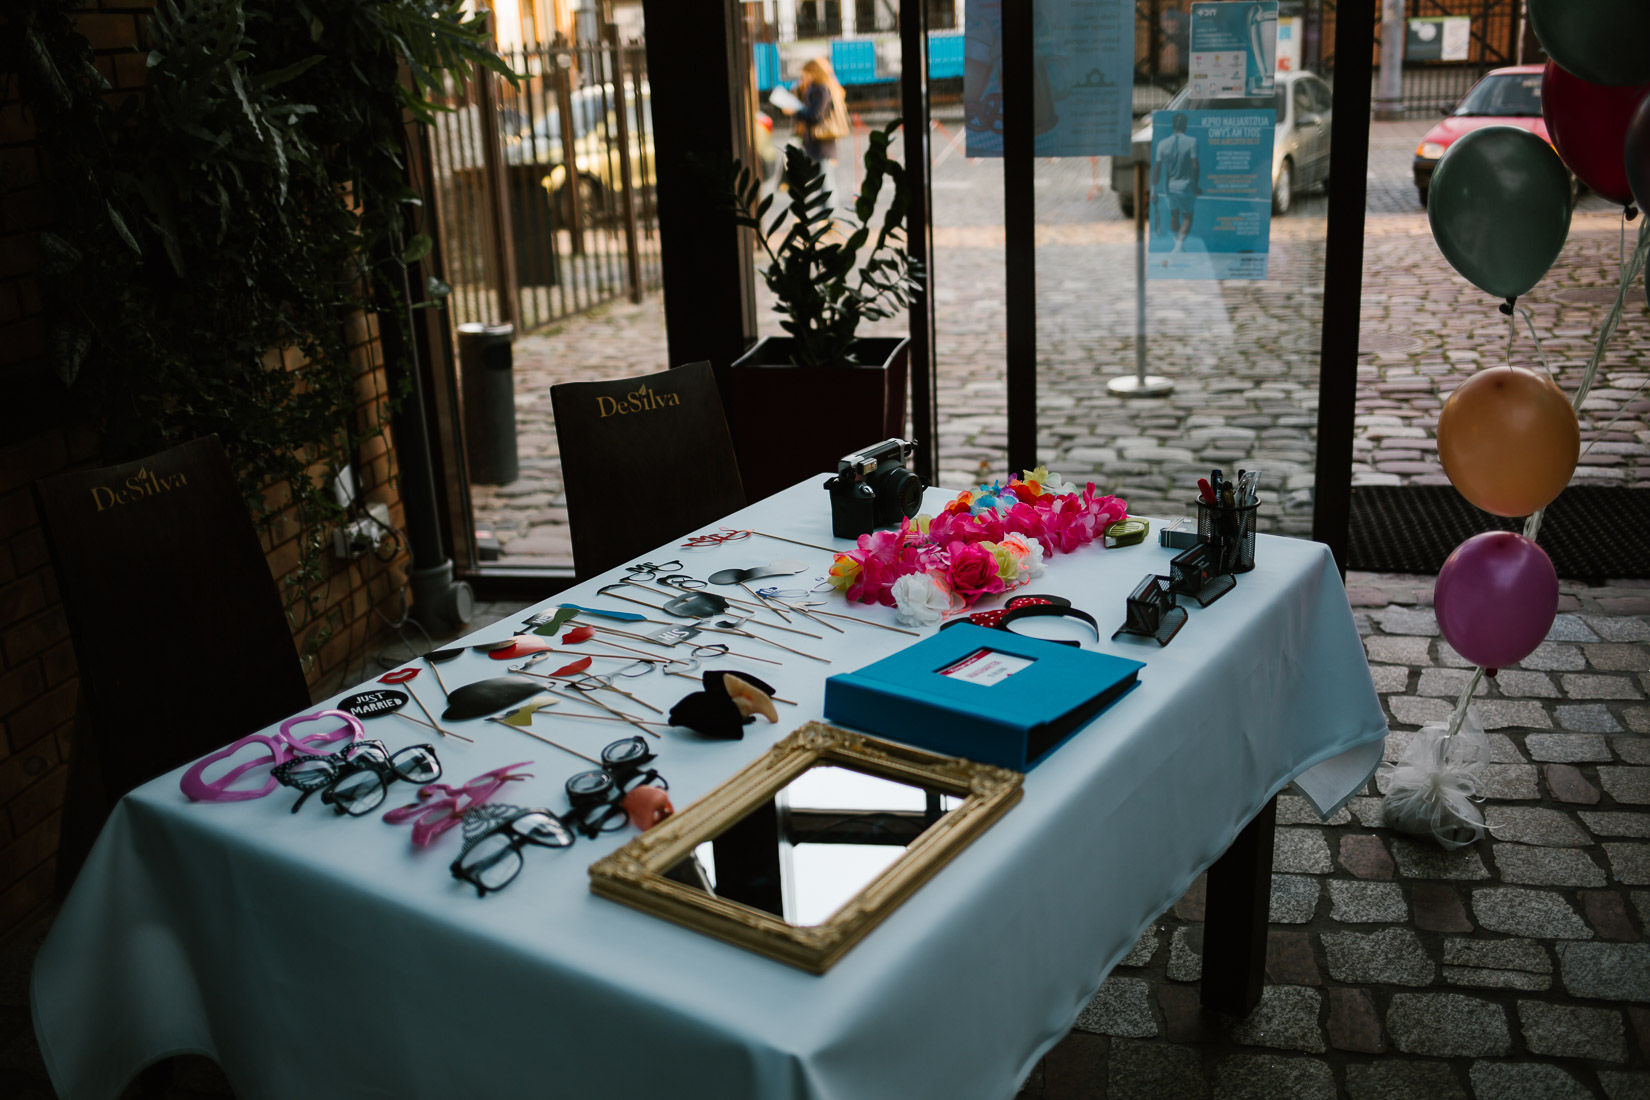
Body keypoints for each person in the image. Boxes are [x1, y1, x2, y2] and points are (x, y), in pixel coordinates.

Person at [781, 57, 848, 199]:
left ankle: (829, 217)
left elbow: (814, 116)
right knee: (821, 180)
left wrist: (795, 111)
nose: (803, 77)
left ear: (814, 73)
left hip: (822, 142)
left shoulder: (822, 89)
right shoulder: (813, 88)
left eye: (806, 73)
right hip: (816, 143)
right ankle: (826, 216)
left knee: (825, 181)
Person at [1152, 112, 1200, 253]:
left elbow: (1157, 169)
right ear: (1185, 125)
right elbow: (1196, 165)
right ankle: (1178, 246)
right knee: (1187, 217)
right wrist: (1196, 186)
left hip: (1170, 187)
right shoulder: (1192, 142)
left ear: (1172, 125)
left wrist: (1154, 190)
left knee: (1174, 215)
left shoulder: (1162, 144)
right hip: (1186, 186)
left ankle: (1177, 245)